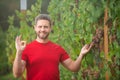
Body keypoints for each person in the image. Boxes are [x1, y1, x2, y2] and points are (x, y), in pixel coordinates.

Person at [13, 14, 92, 80]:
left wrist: (81, 54)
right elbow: (17, 74)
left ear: (50, 28)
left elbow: (74, 67)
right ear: (35, 28)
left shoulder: (58, 49)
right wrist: (19, 52)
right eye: (40, 26)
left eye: (46, 27)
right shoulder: (26, 49)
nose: (42, 29)